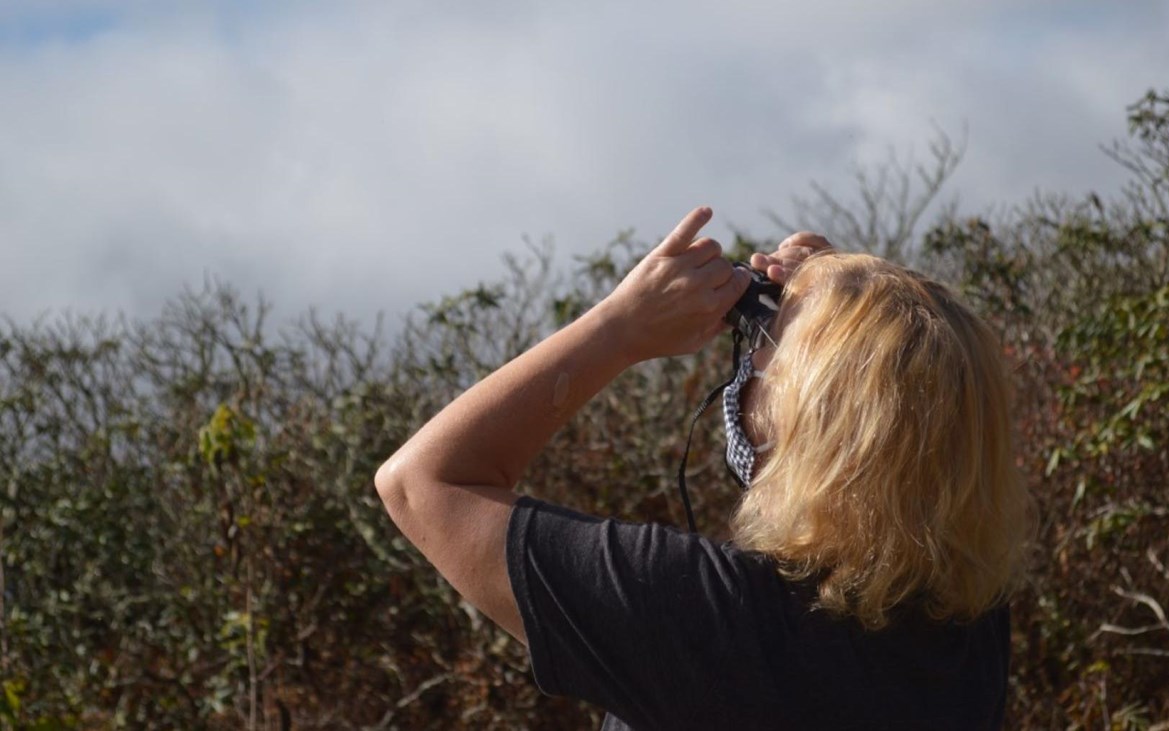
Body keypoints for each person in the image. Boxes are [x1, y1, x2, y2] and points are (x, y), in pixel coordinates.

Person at [374, 206, 1033, 730]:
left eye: (768, 339)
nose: (752, 352)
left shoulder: (710, 618)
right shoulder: (969, 615)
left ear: (814, 422)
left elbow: (422, 481)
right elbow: (913, 410)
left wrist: (619, 328)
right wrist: (846, 290)